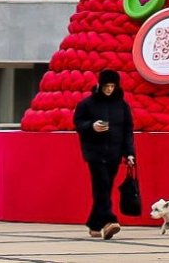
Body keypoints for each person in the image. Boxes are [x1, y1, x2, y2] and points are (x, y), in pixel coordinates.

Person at [73, 68, 136, 239]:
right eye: (106, 86)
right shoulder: (87, 104)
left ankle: (94, 224)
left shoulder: (122, 106)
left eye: (112, 86)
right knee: (101, 186)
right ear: (100, 85)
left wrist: (129, 154)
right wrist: (91, 126)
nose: (109, 89)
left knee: (105, 188)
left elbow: (127, 131)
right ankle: (110, 220)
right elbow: (78, 123)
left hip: (114, 154)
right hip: (94, 153)